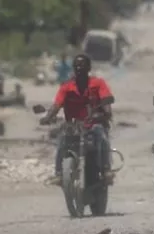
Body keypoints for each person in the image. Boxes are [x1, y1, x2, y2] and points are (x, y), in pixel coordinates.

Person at [41, 54, 115, 186]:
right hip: (74, 125)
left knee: (101, 136)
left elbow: (106, 101)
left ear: (89, 68)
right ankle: (59, 173)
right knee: (62, 139)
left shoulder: (98, 84)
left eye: (82, 65)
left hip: (94, 123)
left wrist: (106, 113)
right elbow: (57, 104)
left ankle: (106, 170)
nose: (79, 68)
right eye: (76, 66)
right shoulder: (67, 87)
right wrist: (48, 117)